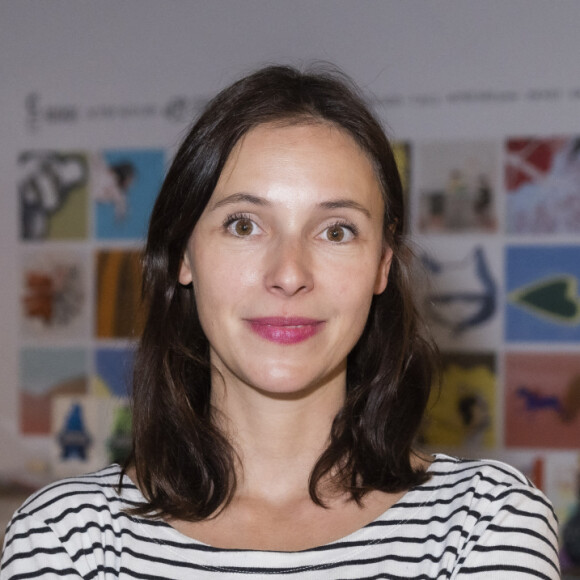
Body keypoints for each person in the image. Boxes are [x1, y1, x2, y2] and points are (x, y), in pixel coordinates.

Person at [1, 65, 559, 579]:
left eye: (336, 230)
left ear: (382, 267)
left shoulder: (483, 525)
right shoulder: (67, 540)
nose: (289, 274)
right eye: (244, 225)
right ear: (184, 255)